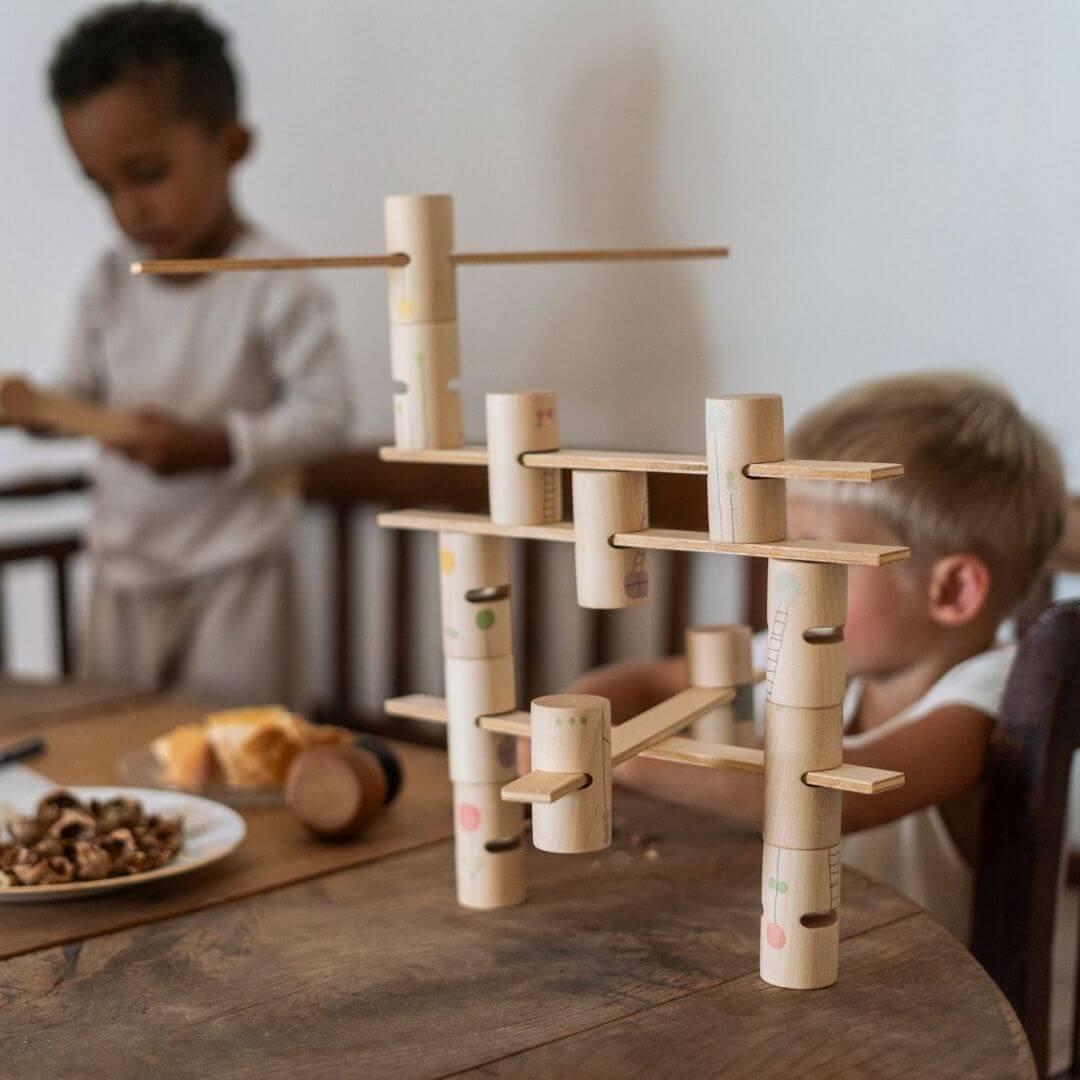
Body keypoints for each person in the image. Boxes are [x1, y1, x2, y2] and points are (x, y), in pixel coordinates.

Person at [566, 372, 1065, 941]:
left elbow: (831, 797)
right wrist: (578, 714)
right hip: (801, 964)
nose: (781, 588)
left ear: (952, 592)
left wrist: (611, 752)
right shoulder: (823, 653)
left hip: (925, 1006)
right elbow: (651, 682)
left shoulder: (995, 692)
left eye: (816, 563)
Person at [43, 2, 350, 705]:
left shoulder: (275, 282)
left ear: (231, 143)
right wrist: (36, 409)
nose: (128, 209)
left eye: (147, 172)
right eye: (102, 186)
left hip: (236, 575)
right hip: (119, 572)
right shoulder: (106, 283)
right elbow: (78, 395)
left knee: (237, 764)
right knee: (111, 759)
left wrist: (213, 445)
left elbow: (327, 415)